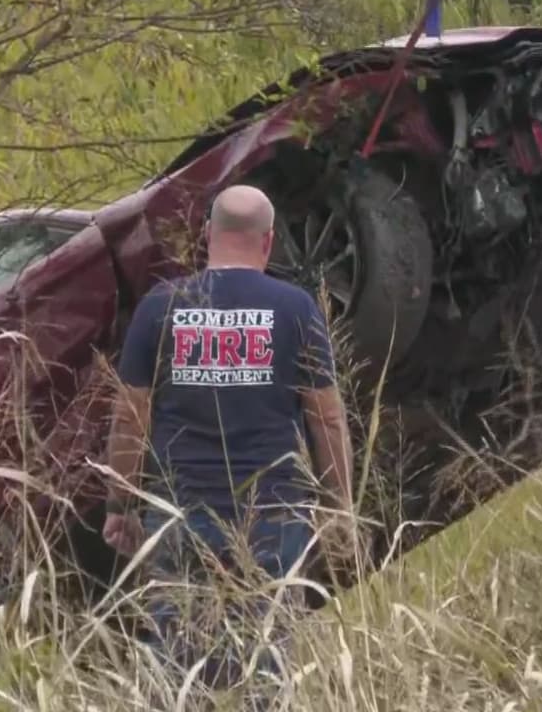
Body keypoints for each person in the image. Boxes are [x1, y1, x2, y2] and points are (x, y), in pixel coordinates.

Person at [101, 184, 356, 698]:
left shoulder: (161, 307)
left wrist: (120, 505)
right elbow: (326, 418)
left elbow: (130, 419)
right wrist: (340, 505)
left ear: (207, 237)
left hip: (179, 520)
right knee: (265, 665)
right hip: (273, 521)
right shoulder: (296, 309)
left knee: (178, 670)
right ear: (267, 243)